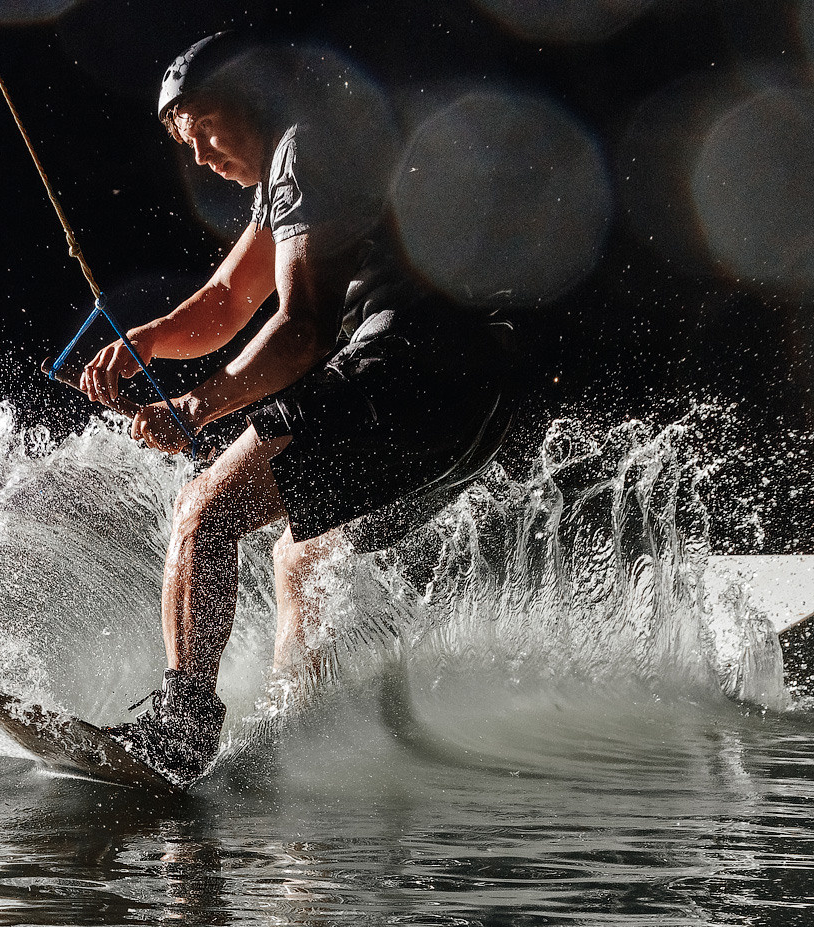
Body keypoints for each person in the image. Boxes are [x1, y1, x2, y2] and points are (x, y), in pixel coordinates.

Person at [86, 32, 513, 786]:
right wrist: (149, 340)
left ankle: (178, 731)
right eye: (187, 145)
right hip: (475, 405)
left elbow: (303, 330)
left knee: (202, 511)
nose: (202, 158)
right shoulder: (314, 151)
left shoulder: (304, 147)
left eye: (206, 129)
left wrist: (199, 404)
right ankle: (297, 729)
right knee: (299, 554)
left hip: (405, 373)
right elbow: (226, 302)